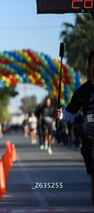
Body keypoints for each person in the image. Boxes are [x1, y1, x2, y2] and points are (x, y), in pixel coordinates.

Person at [54, 50, 94, 205]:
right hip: (91, 142)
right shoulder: (83, 91)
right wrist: (60, 115)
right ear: (90, 65)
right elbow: (70, 114)